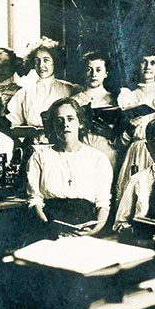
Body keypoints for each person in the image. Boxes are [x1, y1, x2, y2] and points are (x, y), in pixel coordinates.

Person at [26, 98, 112, 237]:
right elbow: (35, 199)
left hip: (85, 229)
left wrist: (94, 230)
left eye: (70, 119)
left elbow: (103, 202)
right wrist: (49, 228)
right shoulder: (39, 156)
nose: (65, 125)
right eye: (59, 120)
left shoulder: (98, 158)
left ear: (80, 123)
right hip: (48, 227)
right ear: (52, 125)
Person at [115, 46, 155, 200]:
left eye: (153, 63)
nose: (148, 67)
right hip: (136, 150)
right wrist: (131, 127)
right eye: (144, 62)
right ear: (138, 65)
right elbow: (121, 140)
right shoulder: (129, 95)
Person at [6, 37, 74, 128]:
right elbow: (13, 122)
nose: (41, 65)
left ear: (55, 61)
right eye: (37, 61)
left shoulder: (69, 89)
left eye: (46, 60)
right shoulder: (25, 92)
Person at [71, 51, 118, 168]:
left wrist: (111, 134)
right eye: (89, 69)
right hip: (81, 155)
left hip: (107, 153)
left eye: (98, 70)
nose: (93, 74)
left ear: (106, 73)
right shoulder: (74, 101)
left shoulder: (115, 100)